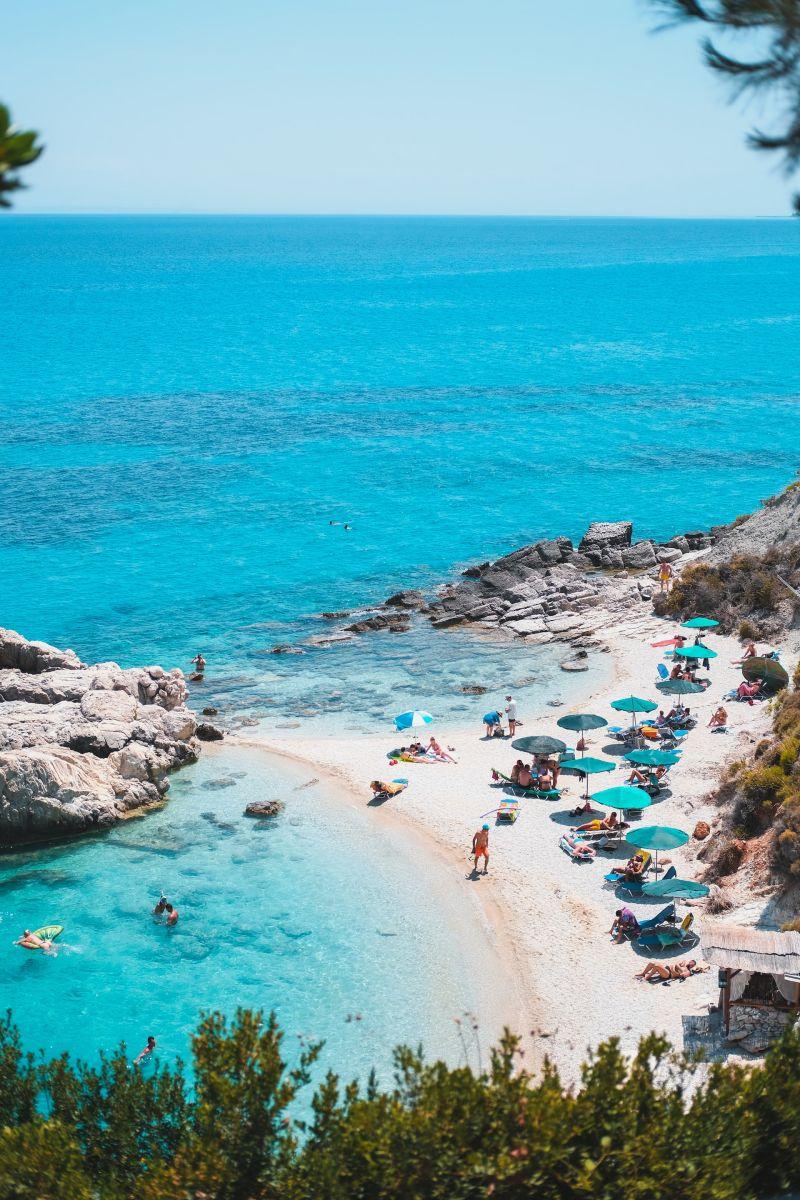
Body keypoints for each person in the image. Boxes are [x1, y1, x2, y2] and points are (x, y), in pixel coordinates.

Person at [635, 959, 708, 982]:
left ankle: (647, 978)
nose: (690, 964)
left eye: (692, 964)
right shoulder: (684, 963)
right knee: (652, 963)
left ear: (693, 966)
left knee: (657, 966)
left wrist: (682, 972)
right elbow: (676, 964)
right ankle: (643, 973)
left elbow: (682, 975)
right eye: (691, 962)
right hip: (666, 968)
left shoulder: (688, 971)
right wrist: (680, 966)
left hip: (668, 974)